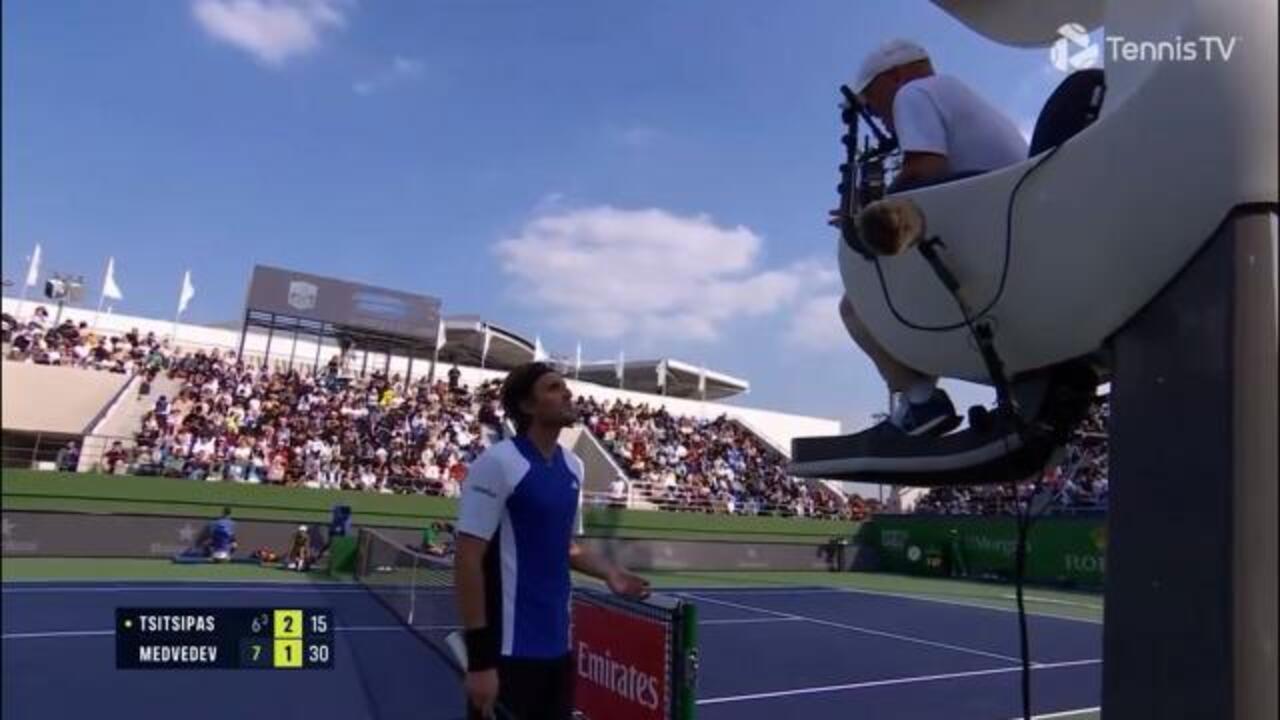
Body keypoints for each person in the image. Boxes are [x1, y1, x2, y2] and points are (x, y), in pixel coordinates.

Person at [832, 39, 1027, 436]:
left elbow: (924, 169)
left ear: (897, 76)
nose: (878, 116)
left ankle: (921, 403)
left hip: (989, 266)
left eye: (872, 101)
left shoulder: (914, 93)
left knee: (855, 307)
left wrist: (869, 215)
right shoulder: (961, 96)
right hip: (1008, 248)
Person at [454, 362, 649, 720]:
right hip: (505, 654)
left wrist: (610, 573)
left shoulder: (574, 467)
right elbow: (467, 560)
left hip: (558, 650)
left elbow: (566, 546)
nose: (567, 393)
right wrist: (480, 661)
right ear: (528, 406)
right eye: (553, 388)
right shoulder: (498, 463)